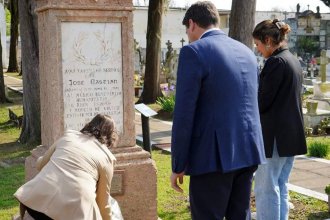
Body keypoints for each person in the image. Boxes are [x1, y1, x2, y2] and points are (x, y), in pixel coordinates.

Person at [170, 1, 266, 219]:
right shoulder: (247, 52)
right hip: (248, 150)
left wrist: (178, 164)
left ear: (192, 24)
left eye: (187, 30)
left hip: (212, 156)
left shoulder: (193, 52)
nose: (188, 35)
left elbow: (184, 114)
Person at [14, 114, 118, 220]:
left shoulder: (69, 136)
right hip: (71, 213)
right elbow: (103, 203)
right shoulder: (107, 159)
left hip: (35, 204)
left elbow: (40, 165)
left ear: (90, 124)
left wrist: (41, 158)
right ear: (111, 135)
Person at [252, 19, 307, 220]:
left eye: (258, 44)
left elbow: (263, 102)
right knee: (281, 185)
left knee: (265, 189)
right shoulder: (292, 60)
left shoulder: (276, 63)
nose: (257, 50)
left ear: (268, 40)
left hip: (274, 136)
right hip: (290, 135)